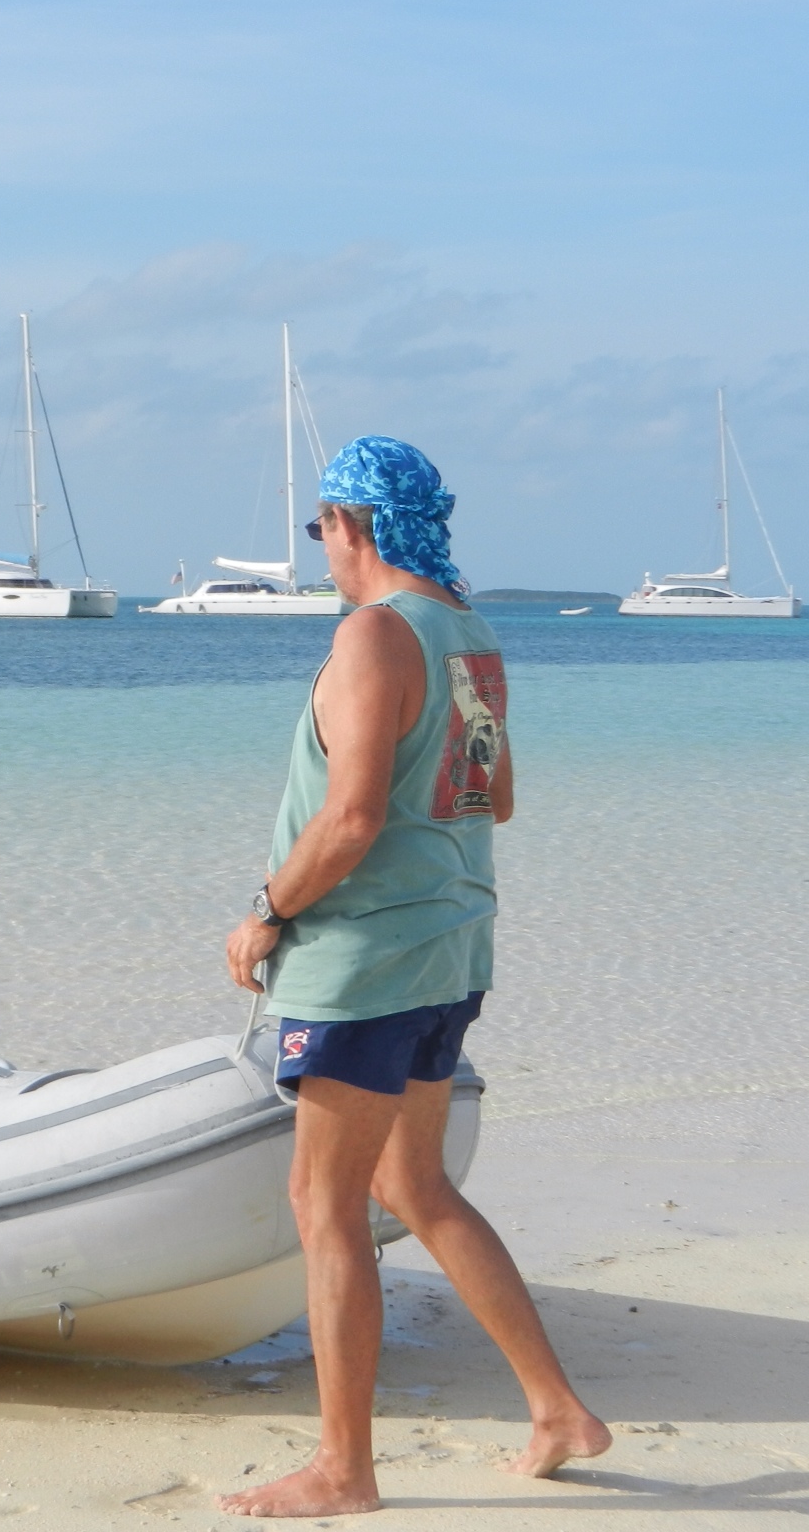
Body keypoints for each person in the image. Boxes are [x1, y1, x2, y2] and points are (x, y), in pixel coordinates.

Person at [215, 437, 609, 1519]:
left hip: (363, 961)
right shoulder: (467, 635)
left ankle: (343, 1470)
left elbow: (348, 820)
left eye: (321, 527)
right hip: (449, 945)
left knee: (324, 1203)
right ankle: (557, 1411)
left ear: (351, 523)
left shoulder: (373, 634)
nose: (320, 547)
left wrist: (266, 913)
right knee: (414, 1186)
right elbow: (494, 797)